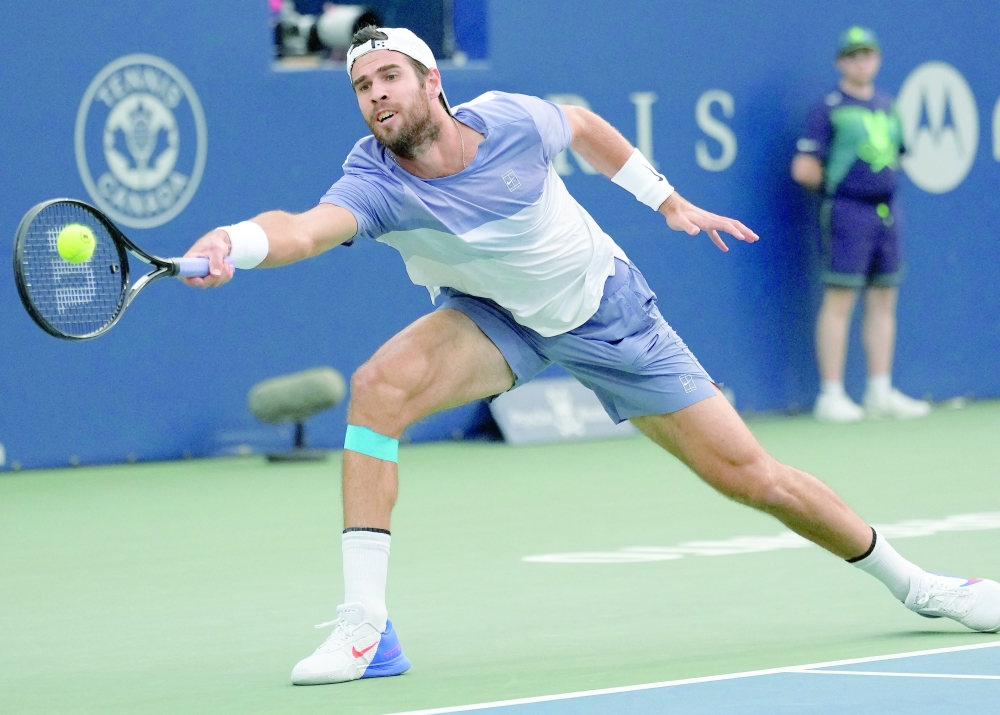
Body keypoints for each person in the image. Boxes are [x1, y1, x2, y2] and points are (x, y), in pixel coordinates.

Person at [183, 26, 999, 685]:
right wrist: (238, 242)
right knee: (377, 391)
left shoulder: (510, 120)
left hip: (606, 313)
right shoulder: (375, 179)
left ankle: (920, 584)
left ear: (433, 82)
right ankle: (367, 630)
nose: (376, 96)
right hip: (495, 316)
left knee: (755, 477)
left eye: (390, 76)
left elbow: (581, 126)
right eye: (363, 87)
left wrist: (667, 200)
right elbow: (302, 228)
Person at [792, 27, 931, 423]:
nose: (860, 61)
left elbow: (895, 156)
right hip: (846, 213)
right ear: (841, 63)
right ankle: (831, 394)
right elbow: (804, 168)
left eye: (867, 54)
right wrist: (844, 190)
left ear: (878, 60)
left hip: (887, 212)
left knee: (884, 299)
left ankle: (879, 390)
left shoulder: (888, 106)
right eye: (852, 55)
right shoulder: (828, 107)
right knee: (840, 299)